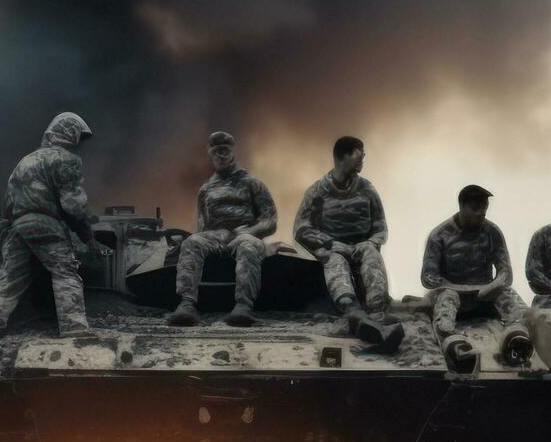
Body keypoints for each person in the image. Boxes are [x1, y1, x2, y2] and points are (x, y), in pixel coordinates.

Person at [0, 111, 94, 337]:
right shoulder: (65, 159)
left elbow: (8, 203)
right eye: (78, 136)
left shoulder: (25, 161)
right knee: (65, 271)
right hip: (45, 224)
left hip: (18, 226)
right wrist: (87, 235)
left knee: (11, 277)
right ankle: (74, 326)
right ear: (70, 133)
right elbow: (74, 206)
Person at [168, 131, 276, 327]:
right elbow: (202, 225)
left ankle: (243, 307)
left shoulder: (252, 184)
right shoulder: (206, 190)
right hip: (215, 236)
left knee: (248, 246)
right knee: (192, 242)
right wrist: (209, 237)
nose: (221, 156)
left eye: (225, 151)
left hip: (245, 235)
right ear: (211, 154)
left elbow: (270, 221)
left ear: (233, 153)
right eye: (216, 151)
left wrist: (247, 233)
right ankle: (187, 305)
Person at [293, 135, 392, 326]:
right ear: (343, 156)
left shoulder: (366, 189)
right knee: (333, 259)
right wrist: (327, 242)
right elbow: (301, 228)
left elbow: (380, 227)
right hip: (334, 248)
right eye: (359, 154)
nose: (363, 159)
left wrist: (371, 242)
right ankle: (351, 309)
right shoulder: (318, 192)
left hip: (361, 248)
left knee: (371, 253)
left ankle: (377, 311)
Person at [420, 185, 527, 341]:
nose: (482, 213)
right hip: (452, 294)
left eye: (485, 208)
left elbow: (505, 272)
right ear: (462, 207)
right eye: (476, 208)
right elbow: (428, 277)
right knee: (446, 300)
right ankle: (449, 339)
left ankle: (519, 335)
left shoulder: (492, 232)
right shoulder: (440, 235)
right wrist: (459, 289)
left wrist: (493, 286)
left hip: (485, 295)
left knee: (511, 298)